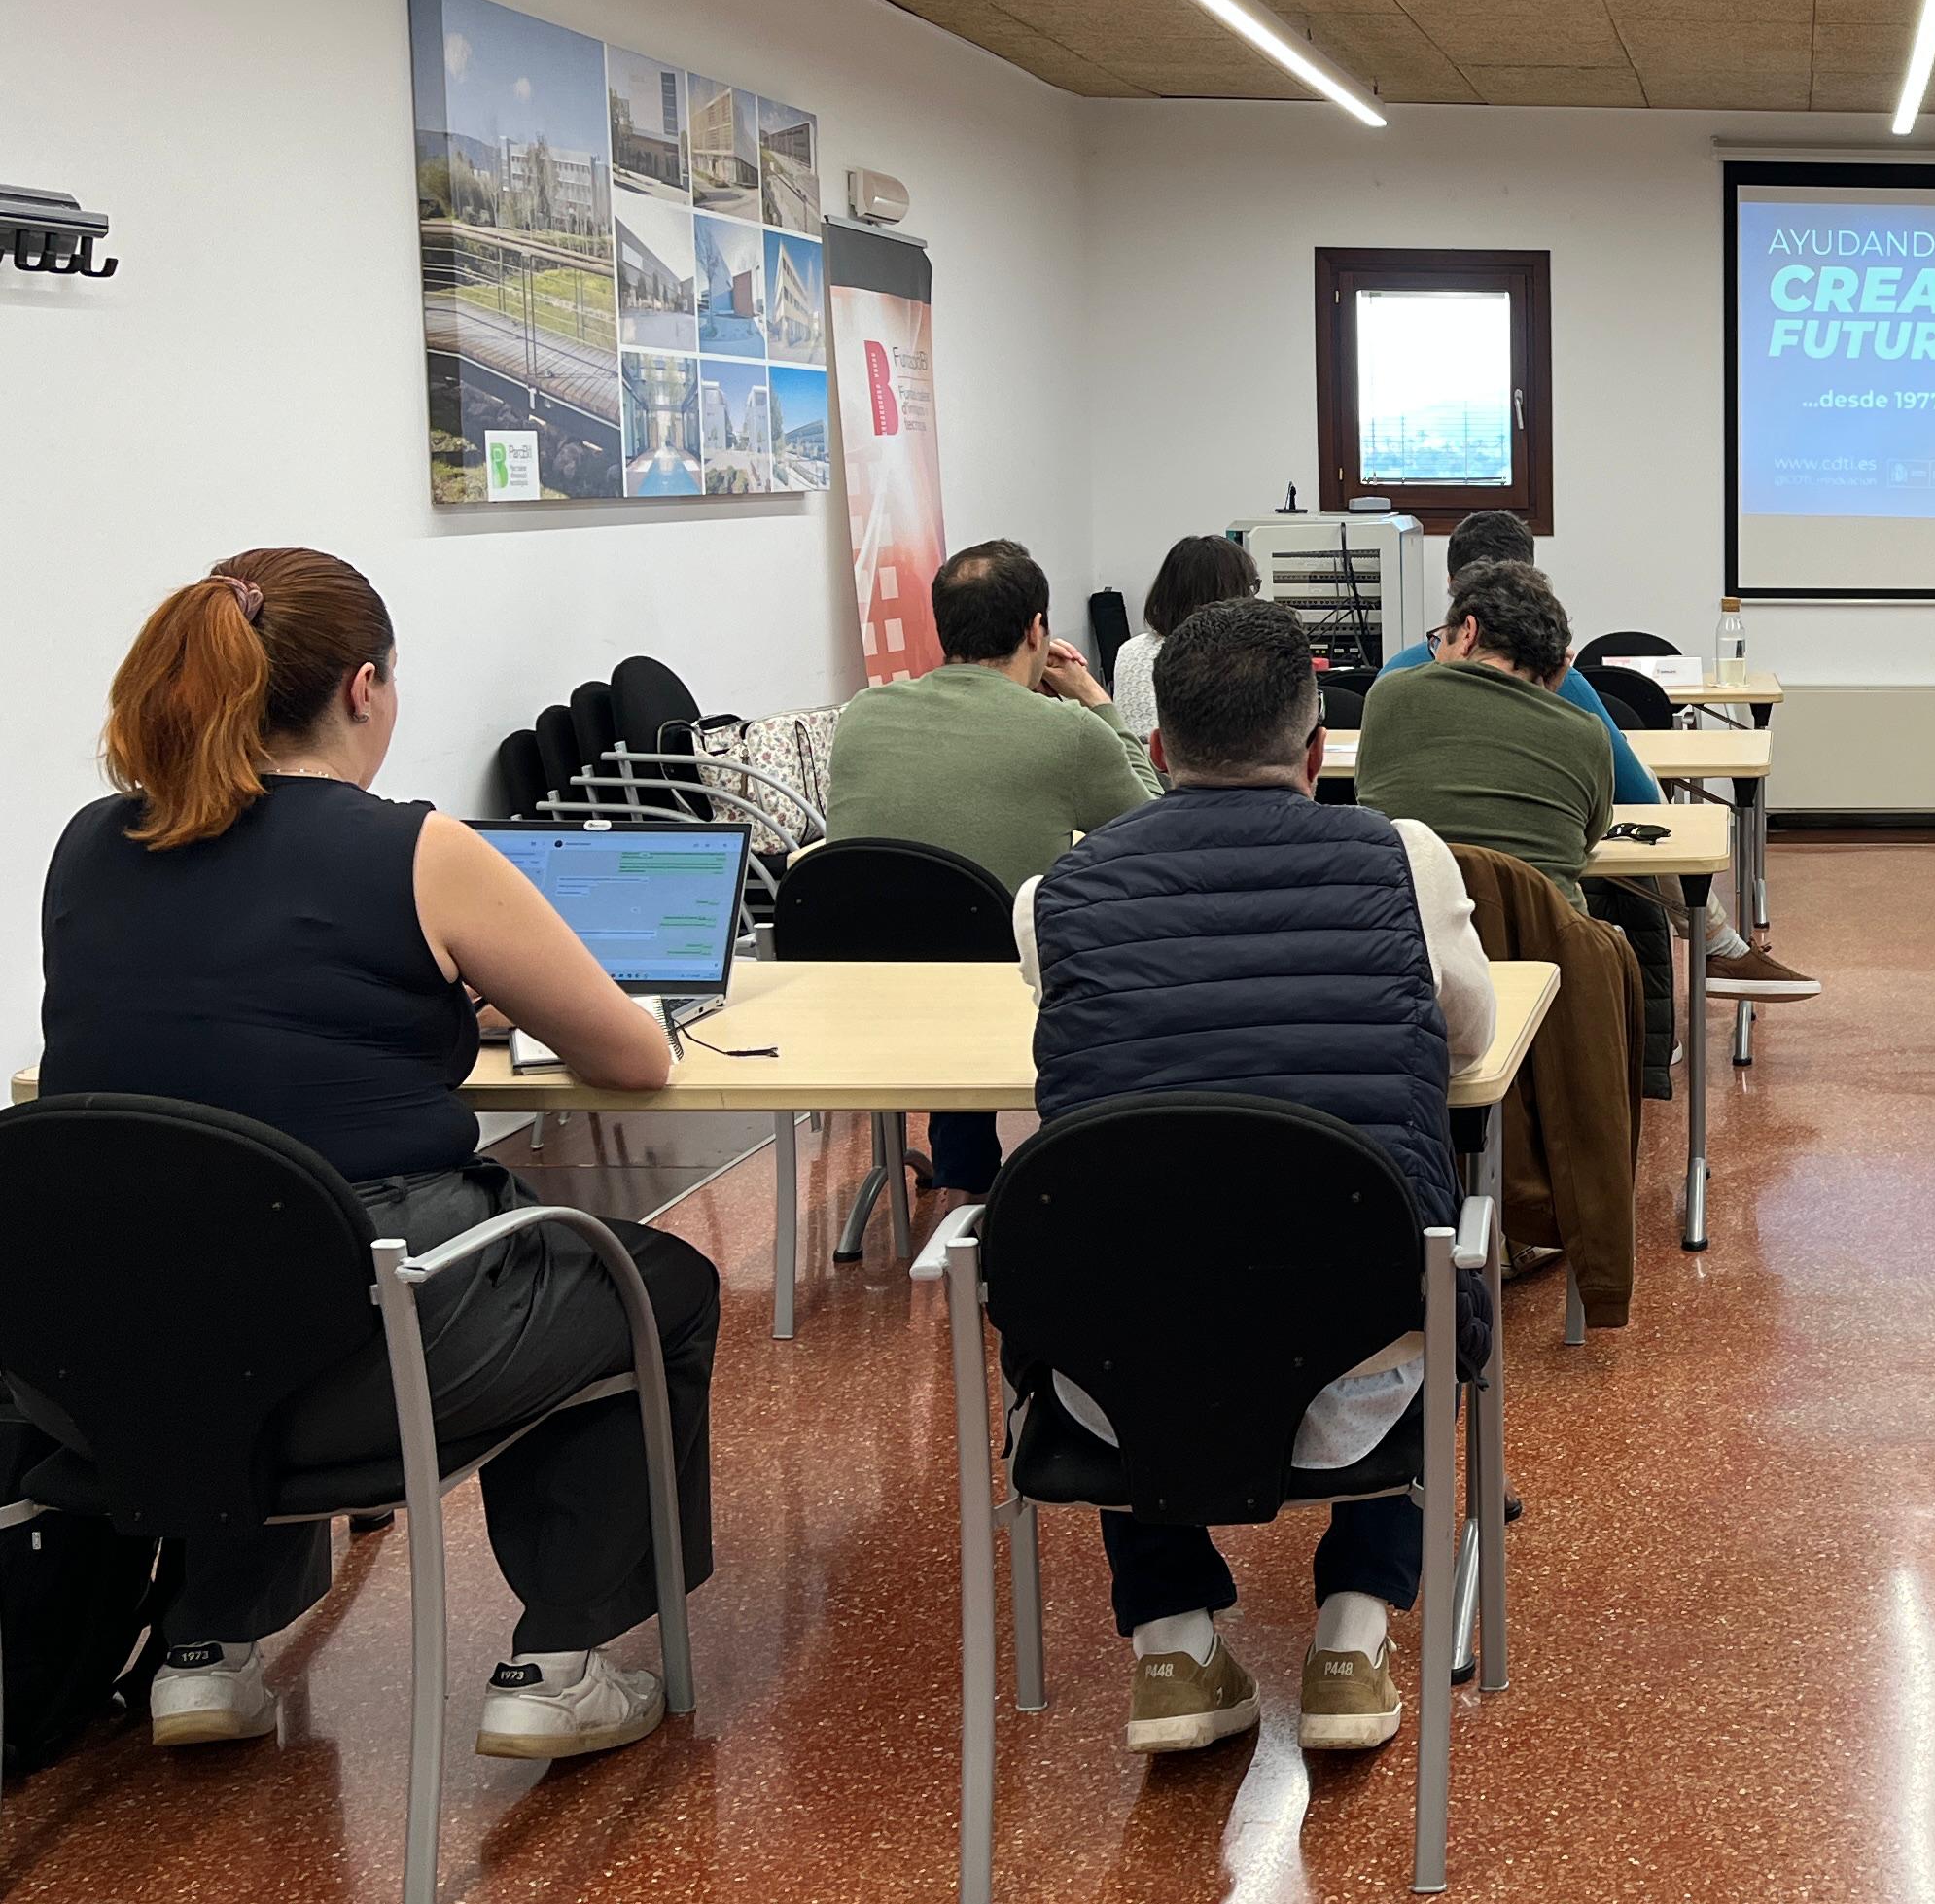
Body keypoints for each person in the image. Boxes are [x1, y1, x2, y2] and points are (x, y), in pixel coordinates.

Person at [29, 551, 720, 1760]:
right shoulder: (415, 849)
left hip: (107, 1351)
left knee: (227, 1247)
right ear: (364, 688)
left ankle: (205, 1647)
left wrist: (438, 997)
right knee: (647, 1288)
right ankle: (557, 1663)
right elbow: (632, 1058)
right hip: (374, 1347)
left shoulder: (90, 842)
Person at [1013, 597, 1497, 1757]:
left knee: (1120, 1248)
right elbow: (1470, 1042)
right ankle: (1351, 1631)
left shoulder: (1053, 898)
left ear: (1161, 751)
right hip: (1361, 1367)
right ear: (1319, 750)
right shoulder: (1404, 856)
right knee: (1397, 1251)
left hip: (1120, 1395)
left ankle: (1171, 1646)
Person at [826, 538, 1160, 1213]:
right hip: (1006, 987)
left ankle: (963, 1177)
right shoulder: (1066, 730)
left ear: (941, 627)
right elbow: (1154, 825)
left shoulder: (860, 714)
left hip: (860, 984)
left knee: (945, 923)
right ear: (1038, 629)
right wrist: (1096, 700)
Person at [1381, 511, 1815, 1000]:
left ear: (1452, 592)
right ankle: (1715, 945)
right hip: (1545, 943)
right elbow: (1627, 801)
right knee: (1646, 817)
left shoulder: (1390, 687)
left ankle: (1718, 947)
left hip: (1408, 936)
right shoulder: (1576, 712)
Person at [1355, 560, 1612, 910]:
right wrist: (1548, 701)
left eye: (1439, 640)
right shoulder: (1586, 733)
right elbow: (1584, 838)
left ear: (1468, 632)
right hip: (1544, 948)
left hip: (1412, 940)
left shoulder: (1388, 696)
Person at [1109, 530, 1255, 745]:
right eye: (1250, 588)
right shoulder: (1223, 658)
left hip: (1138, 774)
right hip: (1196, 772)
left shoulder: (1130, 649)